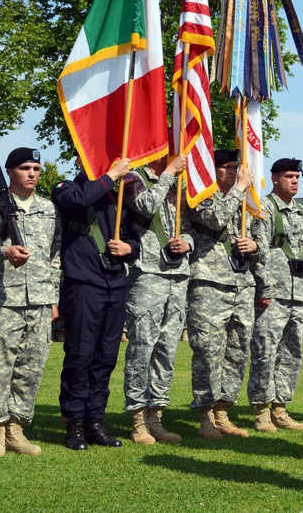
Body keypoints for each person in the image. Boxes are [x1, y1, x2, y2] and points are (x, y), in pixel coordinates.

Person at [0, 147, 61, 457]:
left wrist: (53, 296)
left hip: (39, 301)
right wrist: (2, 252)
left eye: (36, 167)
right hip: (1, 303)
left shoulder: (48, 208)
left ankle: (16, 428)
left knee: (30, 368)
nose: (32, 173)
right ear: (10, 172)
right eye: (25, 168)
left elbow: (55, 255)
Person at [51, 156, 139, 451]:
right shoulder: (66, 188)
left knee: (106, 357)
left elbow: (134, 236)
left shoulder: (118, 196)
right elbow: (79, 200)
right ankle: (73, 422)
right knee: (80, 356)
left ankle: (95, 421)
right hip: (83, 284)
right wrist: (111, 175)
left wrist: (129, 248)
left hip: (115, 283)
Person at [187, 149, 265, 439]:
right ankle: (205, 414)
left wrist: (254, 247)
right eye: (226, 167)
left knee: (236, 351)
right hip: (209, 283)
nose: (233, 172)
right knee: (208, 351)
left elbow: (262, 238)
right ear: (212, 171)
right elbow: (215, 219)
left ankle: (223, 410)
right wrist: (240, 189)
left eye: (235, 167)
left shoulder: (245, 202)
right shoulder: (201, 195)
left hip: (242, 284)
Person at [121, 153, 191, 445]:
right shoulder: (133, 179)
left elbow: (189, 223)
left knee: (166, 350)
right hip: (148, 273)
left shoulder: (180, 185)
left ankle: (156, 416)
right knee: (142, 347)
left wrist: (188, 242)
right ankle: (138, 418)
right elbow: (144, 207)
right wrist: (168, 174)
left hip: (178, 275)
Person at [248, 158, 303, 433]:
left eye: (296, 176)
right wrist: (264, 288)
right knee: (266, 352)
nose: (294, 180)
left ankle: (280, 408)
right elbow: (259, 252)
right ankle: (261, 410)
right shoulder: (263, 209)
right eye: (288, 176)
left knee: (291, 353)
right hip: (273, 294)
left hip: (297, 295)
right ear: (275, 179)